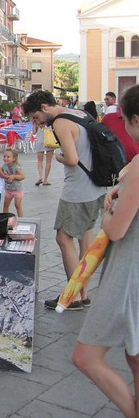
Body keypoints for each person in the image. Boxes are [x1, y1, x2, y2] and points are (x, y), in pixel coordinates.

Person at [72, 83, 139, 418]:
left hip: (129, 272)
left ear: (136, 120)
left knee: (86, 356)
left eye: (125, 119)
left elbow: (115, 229)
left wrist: (109, 208)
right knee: (134, 357)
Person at [23, 90, 106, 311]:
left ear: (43, 107)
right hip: (96, 186)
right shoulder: (78, 113)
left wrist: (58, 156)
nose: (36, 123)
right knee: (84, 241)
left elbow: (71, 158)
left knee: (63, 238)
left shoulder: (60, 123)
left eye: (35, 117)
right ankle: (84, 293)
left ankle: (73, 297)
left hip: (78, 191)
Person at [2, 148, 26, 217]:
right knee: (5, 205)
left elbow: (22, 176)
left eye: (8, 157)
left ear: (14, 158)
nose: (5, 158)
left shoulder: (16, 167)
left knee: (17, 205)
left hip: (17, 190)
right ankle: (5, 219)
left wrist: (14, 176)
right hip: (8, 189)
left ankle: (21, 219)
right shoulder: (4, 166)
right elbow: (1, 172)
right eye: (4, 156)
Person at [32, 120, 53, 186]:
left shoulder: (36, 120)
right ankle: (45, 180)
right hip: (50, 141)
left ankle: (40, 177)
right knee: (48, 161)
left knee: (40, 160)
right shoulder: (50, 119)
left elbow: (34, 132)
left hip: (40, 141)